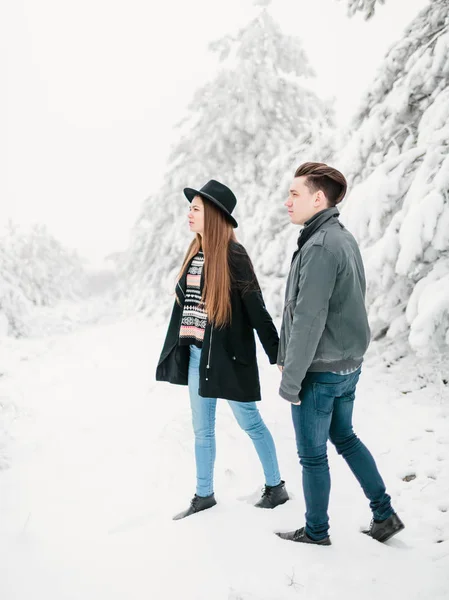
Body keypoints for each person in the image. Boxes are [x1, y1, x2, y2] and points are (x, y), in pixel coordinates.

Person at [275, 162, 404, 545]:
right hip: (346, 365)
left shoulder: (320, 245)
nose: (287, 202)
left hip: (320, 370)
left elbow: (309, 320)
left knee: (312, 456)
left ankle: (316, 533)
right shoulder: (340, 237)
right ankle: (384, 513)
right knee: (345, 437)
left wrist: (291, 380)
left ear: (318, 198)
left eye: (294, 194)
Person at [156, 179, 289, 520]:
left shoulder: (234, 255)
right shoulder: (195, 252)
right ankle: (204, 496)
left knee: (251, 423)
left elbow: (257, 309)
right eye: (190, 208)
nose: (189, 214)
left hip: (229, 358)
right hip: (198, 357)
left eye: (195, 209)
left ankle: (276, 488)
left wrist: (278, 355)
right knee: (202, 431)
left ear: (213, 215)